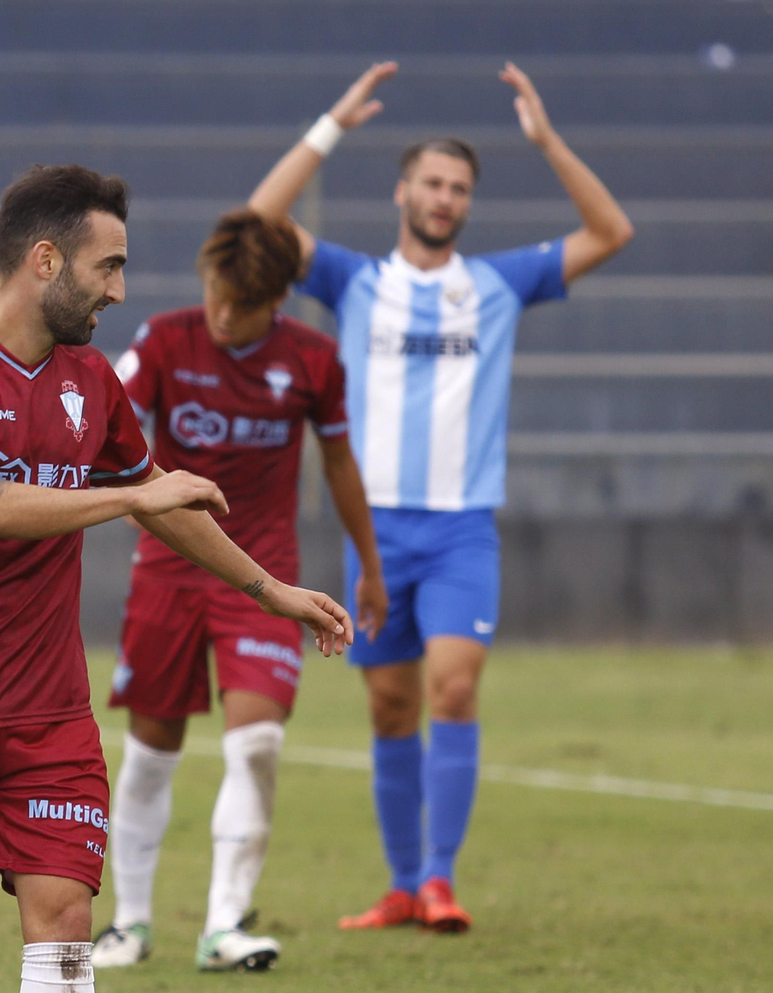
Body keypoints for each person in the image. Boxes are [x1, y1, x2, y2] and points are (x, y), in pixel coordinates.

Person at [0, 164, 352, 993]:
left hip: (51, 708)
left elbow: (161, 504)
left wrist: (270, 591)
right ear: (45, 261)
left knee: (66, 922)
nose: (120, 290)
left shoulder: (89, 379)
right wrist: (128, 496)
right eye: (108, 266)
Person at [248, 61, 633, 932]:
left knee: (453, 691)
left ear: (467, 203)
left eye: (458, 187)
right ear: (402, 191)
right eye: (431, 181)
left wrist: (547, 141)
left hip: (462, 529)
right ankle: (399, 884)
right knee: (390, 704)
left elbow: (611, 229)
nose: (444, 197)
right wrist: (330, 125)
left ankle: (439, 879)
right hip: (372, 530)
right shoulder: (352, 279)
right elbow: (256, 222)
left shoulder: (500, 282)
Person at [90, 208, 388, 973]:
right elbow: (100, 422)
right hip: (167, 571)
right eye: (218, 293)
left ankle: (224, 923)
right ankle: (129, 921)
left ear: (278, 302)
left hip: (265, 577)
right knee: (152, 752)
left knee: (256, 742)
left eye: (243, 306)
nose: (224, 314)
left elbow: (343, 468)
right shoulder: (163, 340)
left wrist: (370, 566)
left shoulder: (315, 361)